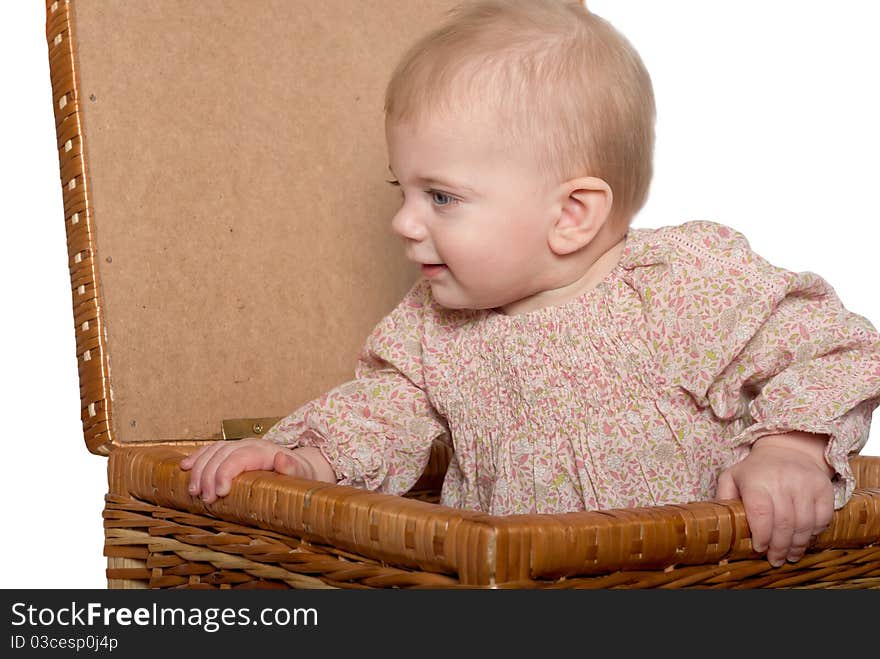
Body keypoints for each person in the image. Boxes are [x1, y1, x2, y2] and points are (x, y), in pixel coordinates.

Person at [181, 0, 880, 568]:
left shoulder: (680, 285)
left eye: (441, 197)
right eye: (403, 188)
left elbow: (834, 348)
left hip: (696, 586)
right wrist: (302, 458)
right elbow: (379, 415)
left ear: (572, 214)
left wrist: (788, 449)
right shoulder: (434, 330)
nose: (402, 221)